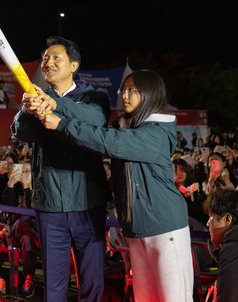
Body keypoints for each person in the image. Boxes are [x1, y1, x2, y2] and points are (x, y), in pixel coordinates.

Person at [39, 69, 193, 301]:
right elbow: (99, 132)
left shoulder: (156, 133)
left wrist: (62, 124)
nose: (125, 95)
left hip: (166, 229)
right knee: (144, 297)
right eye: (124, 89)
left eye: (133, 90)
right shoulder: (129, 128)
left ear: (151, 94)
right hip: (136, 230)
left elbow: (107, 141)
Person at [11, 36, 111, 302]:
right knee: (54, 285)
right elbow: (22, 133)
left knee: (91, 282)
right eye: (45, 58)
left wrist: (55, 105)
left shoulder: (94, 97)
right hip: (50, 205)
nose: (48, 62)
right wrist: (28, 108)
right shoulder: (36, 98)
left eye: (57, 57)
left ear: (74, 65)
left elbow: (96, 119)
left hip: (88, 203)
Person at [1, 161, 39, 298]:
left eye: (27, 171)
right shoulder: (14, 187)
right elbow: (6, 208)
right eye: (21, 171)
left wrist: (28, 189)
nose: (24, 174)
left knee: (26, 239)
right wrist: (10, 185)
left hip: (30, 234)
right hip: (15, 233)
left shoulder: (39, 190)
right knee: (22, 222)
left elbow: (34, 210)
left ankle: (29, 276)